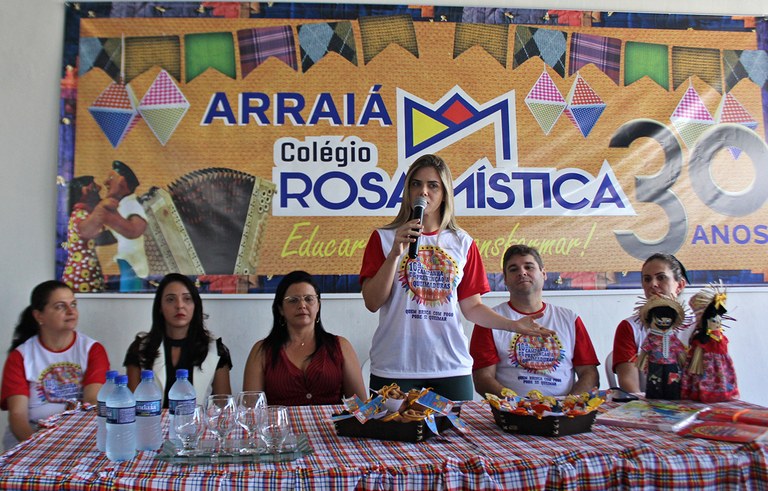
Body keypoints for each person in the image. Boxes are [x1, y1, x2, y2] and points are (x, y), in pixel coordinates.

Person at [359, 154, 552, 401]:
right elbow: (372, 302)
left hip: (450, 365)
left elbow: (472, 307)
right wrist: (396, 253)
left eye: (433, 185)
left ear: (445, 193)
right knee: (393, 436)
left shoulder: (462, 243)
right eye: (416, 184)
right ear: (407, 190)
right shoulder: (384, 238)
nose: (423, 192)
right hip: (396, 364)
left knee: (457, 439)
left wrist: (512, 325)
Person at [470, 245, 600, 397]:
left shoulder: (570, 319)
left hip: (565, 414)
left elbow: (589, 373)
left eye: (529, 267)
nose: (522, 272)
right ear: (505, 279)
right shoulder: (489, 320)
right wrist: (518, 404)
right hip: (511, 412)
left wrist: (567, 405)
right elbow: (483, 379)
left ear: (544, 273)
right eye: (513, 269)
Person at [0, 281, 109, 450]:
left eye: (73, 304)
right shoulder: (20, 356)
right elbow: (17, 415)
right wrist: (39, 447)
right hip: (30, 435)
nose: (71, 311)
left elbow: (92, 402)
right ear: (39, 316)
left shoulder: (92, 350)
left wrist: (69, 443)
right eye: (60, 306)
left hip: (77, 433)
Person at [243, 271, 367, 405]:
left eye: (309, 299)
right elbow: (251, 411)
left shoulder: (340, 346)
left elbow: (360, 406)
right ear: (280, 309)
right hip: (280, 425)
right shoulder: (261, 351)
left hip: (332, 426)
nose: (302, 305)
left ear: (318, 305)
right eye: (293, 300)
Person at [123, 273, 232, 406]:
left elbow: (224, 408)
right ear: (160, 308)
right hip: (151, 425)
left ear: (195, 306)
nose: (179, 305)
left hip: (197, 425)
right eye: (170, 299)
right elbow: (130, 407)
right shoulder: (141, 348)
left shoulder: (215, 350)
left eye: (187, 299)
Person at [611, 253, 688, 393]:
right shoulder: (630, 327)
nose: (653, 284)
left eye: (661, 277)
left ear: (680, 285)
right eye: (647, 279)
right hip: (647, 407)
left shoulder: (697, 326)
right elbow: (629, 383)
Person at [80, 160, 148, 292]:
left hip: (134, 265)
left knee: (130, 296)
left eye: (111, 178)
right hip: (127, 262)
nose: (105, 182)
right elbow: (117, 234)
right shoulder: (122, 205)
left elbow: (135, 230)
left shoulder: (132, 204)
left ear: (122, 181)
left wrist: (109, 218)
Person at [62, 176, 106, 293]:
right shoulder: (81, 214)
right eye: (94, 188)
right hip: (82, 275)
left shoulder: (82, 213)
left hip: (87, 272)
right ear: (85, 191)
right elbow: (101, 236)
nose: (99, 189)